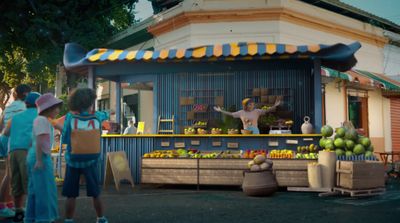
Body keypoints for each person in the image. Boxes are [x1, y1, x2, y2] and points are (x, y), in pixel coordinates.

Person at [61, 88, 108, 223]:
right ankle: (101, 218)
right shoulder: (98, 116)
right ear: (91, 103)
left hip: (73, 161)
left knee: (71, 194)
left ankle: (69, 219)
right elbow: (106, 113)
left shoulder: (70, 118)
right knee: (95, 193)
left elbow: (64, 139)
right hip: (91, 160)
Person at [3, 92, 41, 222]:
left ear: (26, 103)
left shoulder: (15, 117)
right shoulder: (40, 117)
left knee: (16, 182)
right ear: (38, 104)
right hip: (28, 151)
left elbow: (6, 133)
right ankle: (32, 212)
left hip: (13, 151)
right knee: (30, 182)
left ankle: (18, 210)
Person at [25, 93, 62, 223]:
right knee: (44, 190)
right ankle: (43, 218)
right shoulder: (42, 121)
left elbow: (33, 141)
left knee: (34, 189)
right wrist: (40, 160)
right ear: (49, 108)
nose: (58, 110)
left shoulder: (41, 120)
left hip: (34, 156)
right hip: (40, 156)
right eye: (56, 107)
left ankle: (30, 217)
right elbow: (40, 140)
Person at [0, 84, 31, 218]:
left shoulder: (9, 107)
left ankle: (9, 204)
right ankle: (3, 205)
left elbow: (2, 125)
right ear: (25, 94)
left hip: (7, 140)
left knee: (10, 174)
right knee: (12, 175)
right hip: (17, 142)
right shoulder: (23, 107)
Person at [214, 98, 281, 134]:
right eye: (250, 104)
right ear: (245, 105)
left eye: (253, 104)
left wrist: (275, 106)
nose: (252, 106)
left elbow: (266, 111)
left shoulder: (257, 111)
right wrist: (220, 111)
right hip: (246, 132)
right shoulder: (241, 112)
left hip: (255, 131)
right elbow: (231, 114)